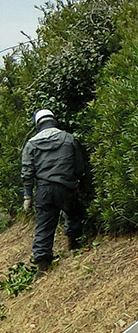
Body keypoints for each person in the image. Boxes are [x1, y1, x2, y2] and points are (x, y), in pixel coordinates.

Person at [21, 109, 86, 270]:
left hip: (44, 191)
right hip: (67, 187)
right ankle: (73, 242)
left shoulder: (31, 144)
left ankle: (43, 264)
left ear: (38, 124)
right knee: (73, 211)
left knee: (44, 224)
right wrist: (77, 183)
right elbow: (79, 166)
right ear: (53, 120)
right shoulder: (68, 138)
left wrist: (27, 195)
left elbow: (27, 172)